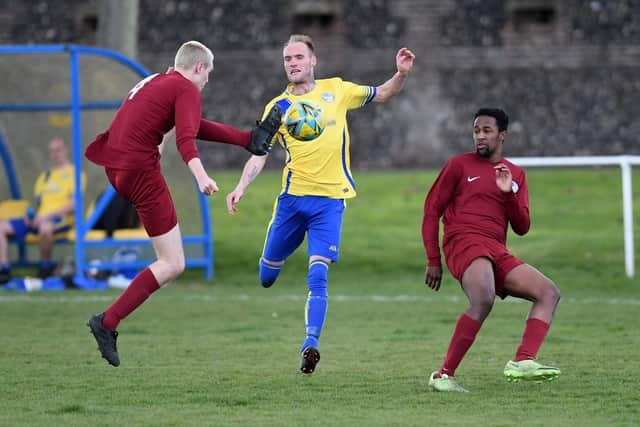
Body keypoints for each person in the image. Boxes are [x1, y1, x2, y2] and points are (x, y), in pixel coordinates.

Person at [226, 34, 415, 375]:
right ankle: (285, 249)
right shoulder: (278, 108)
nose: (293, 63)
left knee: (318, 275)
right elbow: (260, 155)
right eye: (288, 59)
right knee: (267, 276)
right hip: (292, 202)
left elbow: (384, 93)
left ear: (313, 61)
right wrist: (241, 186)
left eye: (299, 57)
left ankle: (310, 344)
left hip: (330, 202)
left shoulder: (337, 90)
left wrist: (400, 73)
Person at [85, 40, 281, 367]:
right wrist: (201, 176)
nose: (207, 82)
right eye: (209, 74)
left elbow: (191, 126)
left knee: (169, 261)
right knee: (173, 263)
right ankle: (106, 322)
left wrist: (246, 139)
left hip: (115, 168)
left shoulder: (157, 81)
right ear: (198, 67)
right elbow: (185, 139)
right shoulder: (186, 88)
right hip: (138, 169)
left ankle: (107, 322)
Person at [422, 108, 561, 392]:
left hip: (496, 249)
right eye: (476, 131)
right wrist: (433, 258)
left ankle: (523, 360)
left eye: (487, 131)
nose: (480, 136)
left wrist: (508, 192)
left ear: (502, 135)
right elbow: (431, 211)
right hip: (464, 242)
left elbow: (522, 226)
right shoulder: (458, 166)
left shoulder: (515, 174)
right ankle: (443, 375)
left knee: (548, 293)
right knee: (483, 299)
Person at [0, 137, 86, 283]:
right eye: (52, 151)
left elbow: (73, 204)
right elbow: (37, 204)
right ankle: (4, 269)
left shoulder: (76, 174)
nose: (55, 154)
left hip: (60, 219)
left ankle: (45, 267)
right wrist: (30, 214)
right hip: (38, 219)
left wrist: (46, 216)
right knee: (2, 227)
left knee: (45, 227)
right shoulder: (45, 176)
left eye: (58, 150)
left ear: (65, 150)